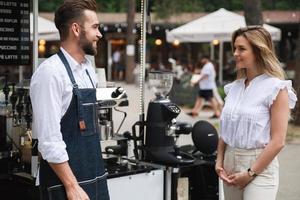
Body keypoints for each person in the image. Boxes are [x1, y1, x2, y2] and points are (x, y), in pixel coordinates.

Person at [30, 1, 110, 199]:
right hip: (66, 186)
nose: (99, 34)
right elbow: (49, 140)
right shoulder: (50, 73)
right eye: (95, 27)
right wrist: (72, 186)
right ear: (76, 29)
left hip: (95, 176)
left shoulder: (88, 70)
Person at [215, 26, 297, 200]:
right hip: (229, 165)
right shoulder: (234, 88)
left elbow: (278, 141)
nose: (235, 53)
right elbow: (226, 131)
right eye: (235, 48)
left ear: (259, 51)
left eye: (242, 49)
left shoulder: (276, 88)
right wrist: (219, 160)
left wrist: (250, 173)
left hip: (259, 167)